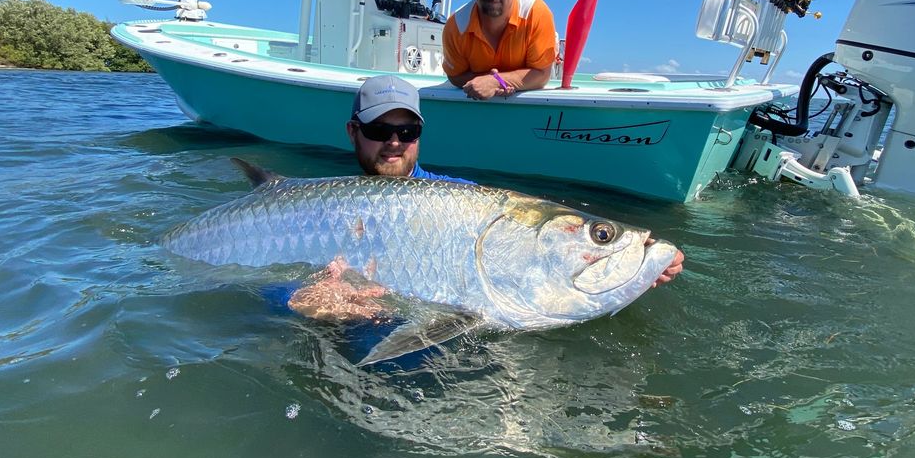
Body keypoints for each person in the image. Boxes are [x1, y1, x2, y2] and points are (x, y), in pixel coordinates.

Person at [284, 75, 683, 327]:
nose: (393, 141)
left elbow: (540, 275)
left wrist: (638, 272)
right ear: (353, 131)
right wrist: (302, 301)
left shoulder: (467, 199)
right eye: (379, 128)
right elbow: (258, 282)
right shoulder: (305, 208)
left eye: (407, 130)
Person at [442, 0, 557, 100]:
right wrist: (491, 83)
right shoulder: (456, 25)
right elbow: (455, 76)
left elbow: (542, 75)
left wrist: (496, 81)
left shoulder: (535, 13)